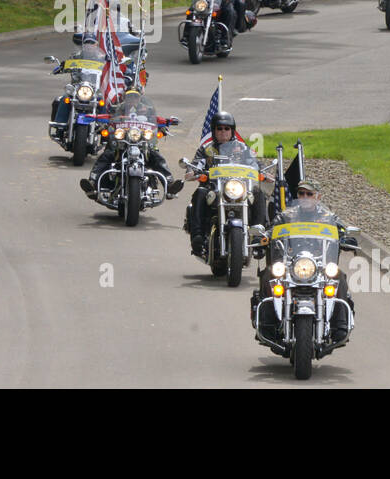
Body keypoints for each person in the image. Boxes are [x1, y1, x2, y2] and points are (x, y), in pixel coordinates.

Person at [253, 180, 355, 343]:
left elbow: (341, 230)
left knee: (338, 278)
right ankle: (267, 324)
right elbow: (272, 230)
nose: (305, 197)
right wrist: (264, 236)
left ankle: (340, 326)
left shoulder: (328, 217)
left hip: (319, 264)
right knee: (269, 275)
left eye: (309, 194)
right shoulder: (287, 216)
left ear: (318, 196)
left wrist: (347, 238)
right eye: (301, 193)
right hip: (291, 263)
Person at [182, 111, 266, 256]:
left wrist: (264, 172)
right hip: (214, 189)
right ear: (214, 130)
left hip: (239, 189)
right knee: (200, 192)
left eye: (227, 128)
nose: (223, 132)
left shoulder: (243, 148)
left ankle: (259, 234)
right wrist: (192, 170)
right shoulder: (207, 149)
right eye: (219, 128)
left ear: (232, 130)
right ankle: (197, 236)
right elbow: (197, 163)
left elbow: (255, 163)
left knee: (258, 193)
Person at [80, 88, 184, 199]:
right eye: (130, 97)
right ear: (126, 97)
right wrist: (102, 121)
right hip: (122, 142)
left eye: (135, 97)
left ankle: (170, 184)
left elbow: (156, 119)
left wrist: (167, 122)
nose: (132, 99)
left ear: (139, 98)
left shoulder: (147, 109)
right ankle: (93, 181)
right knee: (107, 155)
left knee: (156, 157)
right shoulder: (120, 108)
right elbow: (110, 118)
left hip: (142, 142)